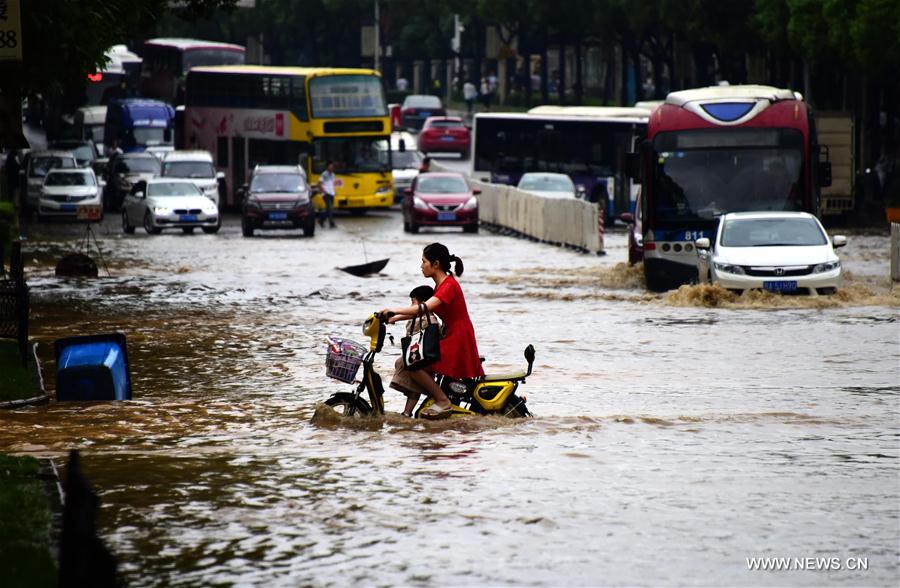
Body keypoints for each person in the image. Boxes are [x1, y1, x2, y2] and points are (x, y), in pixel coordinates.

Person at [381, 243, 483, 419]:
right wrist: (395, 318)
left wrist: (394, 310)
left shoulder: (448, 286)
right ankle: (411, 411)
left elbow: (425, 307)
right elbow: (425, 310)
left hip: (458, 337)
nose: (421, 266)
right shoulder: (440, 286)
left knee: (414, 363)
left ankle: (443, 401)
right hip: (450, 333)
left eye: (424, 261)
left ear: (435, 264)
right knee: (411, 360)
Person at [390, 285, 443, 417]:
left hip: (422, 358)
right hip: (423, 356)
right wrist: (395, 318)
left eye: (413, 302)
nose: (411, 306)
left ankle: (408, 412)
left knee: (407, 366)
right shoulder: (426, 318)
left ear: (423, 304)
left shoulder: (425, 320)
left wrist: (395, 316)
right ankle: (407, 412)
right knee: (414, 384)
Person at [317, 161, 336, 228]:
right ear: (327, 167)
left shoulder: (333, 175)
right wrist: (323, 191)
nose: (331, 168)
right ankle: (331, 224)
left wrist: (334, 192)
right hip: (326, 194)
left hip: (331, 193)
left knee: (329, 209)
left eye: (332, 167)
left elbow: (332, 184)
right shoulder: (324, 174)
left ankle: (321, 220)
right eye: (330, 166)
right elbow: (319, 183)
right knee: (330, 208)